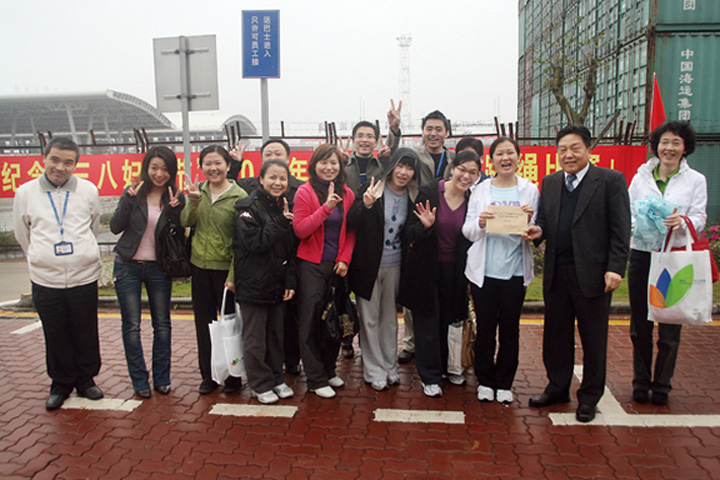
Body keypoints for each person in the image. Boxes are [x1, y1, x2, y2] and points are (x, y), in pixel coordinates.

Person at [523, 125, 630, 423]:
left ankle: (589, 398)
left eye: (575, 148)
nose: (568, 155)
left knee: (593, 339)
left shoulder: (610, 180)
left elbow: (621, 229)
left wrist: (615, 268)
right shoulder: (551, 182)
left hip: (594, 274)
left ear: (588, 150)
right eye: (563, 150)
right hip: (558, 273)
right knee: (555, 336)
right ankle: (557, 387)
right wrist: (537, 230)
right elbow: (544, 220)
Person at [13, 137, 104, 410]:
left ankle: (86, 380)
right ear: (44, 158)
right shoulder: (26, 192)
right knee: (55, 332)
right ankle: (60, 383)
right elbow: (22, 233)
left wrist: (81, 252)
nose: (60, 167)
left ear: (75, 164)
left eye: (68, 162)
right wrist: (41, 256)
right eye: (55, 159)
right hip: (45, 278)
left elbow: (94, 225)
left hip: (83, 275)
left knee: (85, 330)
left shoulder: (88, 190)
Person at [628, 121, 707, 406]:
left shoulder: (695, 180)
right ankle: (640, 381)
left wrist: (682, 222)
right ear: (656, 146)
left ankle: (662, 384)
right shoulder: (640, 178)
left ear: (685, 147)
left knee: (671, 323)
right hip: (643, 255)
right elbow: (630, 214)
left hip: (674, 258)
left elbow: (699, 217)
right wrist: (643, 226)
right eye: (664, 142)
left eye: (676, 143)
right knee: (640, 325)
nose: (669, 148)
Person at [398, 150, 481, 397]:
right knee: (427, 323)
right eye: (462, 169)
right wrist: (425, 227)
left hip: (456, 270)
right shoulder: (431, 193)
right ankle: (430, 375)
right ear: (452, 168)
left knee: (451, 319)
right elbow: (409, 231)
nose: (466, 176)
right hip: (427, 268)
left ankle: (448, 368)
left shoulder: (474, 199)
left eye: (472, 172)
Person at [462, 138, 538, 404]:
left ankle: (505, 382)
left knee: (510, 329)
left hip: (515, 272)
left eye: (510, 153)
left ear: (519, 157)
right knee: (485, 329)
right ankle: (485, 380)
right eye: (499, 154)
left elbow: (536, 231)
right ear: (491, 160)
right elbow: (468, 231)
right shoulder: (480, 190)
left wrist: (530, 225)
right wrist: (481, 222)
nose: (505, 158)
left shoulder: (530, 190)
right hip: (484, 273)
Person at [110, 146, 185, 399]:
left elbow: (176, 235)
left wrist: (174, 211)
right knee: (131, 326)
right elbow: (115, 227)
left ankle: (162, 379)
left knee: (162, 325)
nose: (159, 173)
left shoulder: (176, 196)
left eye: (165, 169)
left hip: (159, 267)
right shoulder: (133, 192)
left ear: (172, 171)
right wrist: (129, 201)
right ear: (146, 168)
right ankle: (139, 381)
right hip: (128, 265)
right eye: (154, 167)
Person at [347, 148, 420, 390]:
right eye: (400, 165)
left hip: (395, 265)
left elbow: (411, 231)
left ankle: (390, 366)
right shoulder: (374, 189)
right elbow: (351, 221)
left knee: (389, 319)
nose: (404, 172)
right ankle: (374, 369)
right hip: (368, 265)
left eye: (409, 168)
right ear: (392, 167)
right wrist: (366, 205)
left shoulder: (412, 196)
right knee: (369, 318)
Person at [231, 138, 304, 375]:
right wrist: (282, 221)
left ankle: (277, 378)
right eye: (272, 177)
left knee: (276, 335)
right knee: (255, 337)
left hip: (277, 282)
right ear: (260, 179)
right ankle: (260, 383)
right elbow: (255, 242)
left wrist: (290, 280)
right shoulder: (247, 205)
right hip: (254, 284)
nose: (277, 182)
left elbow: (290, 248)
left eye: (282, 178)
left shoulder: (285, 203)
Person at [182, 145, 248, 395]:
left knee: (230, 325)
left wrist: (233, 276)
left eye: (218, 162)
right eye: (208, 163)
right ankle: (208, 375)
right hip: (200, 267)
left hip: (226, 271)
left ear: (228, 166)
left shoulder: (239, 196)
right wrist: (193, 200)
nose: (213, 168)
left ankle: (233, 375)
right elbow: (186, 222)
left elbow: (241, 242)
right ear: (202, 167)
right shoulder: (197, 191)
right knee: (204, 324)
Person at [292, 144, 356, 399]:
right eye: (323, 162)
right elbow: (301, 230)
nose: (329, 167)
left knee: (333, 319)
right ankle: (315, 378)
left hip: (336, 267)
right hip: (310, 266)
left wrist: (345, 259)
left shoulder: (347, 193)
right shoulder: (305, 192)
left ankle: (329, 370)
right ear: (314, 165)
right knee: (310, 322)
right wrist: (326, 208)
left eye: (334, 163)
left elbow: (350, 232)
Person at [341, 100, 402, 359]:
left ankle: (376, 352)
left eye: (370, 136)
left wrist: (394, 129)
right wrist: (337, 160)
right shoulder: (343, 165)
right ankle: (345, 338)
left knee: (372, 301)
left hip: (371, 242)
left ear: (377, 141)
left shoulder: (383, 164)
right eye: (360, 136)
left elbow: (396, 154)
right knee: (343, 296)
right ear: (353, 140)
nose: (365, 140)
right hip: (346, 237)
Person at [398, 109, 458, 366]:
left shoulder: (455, 159)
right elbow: (392, 162)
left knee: (445, 291)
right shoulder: (413, 157)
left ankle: (442, 344)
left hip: (447, 231)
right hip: (418, 227)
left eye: (438, 129)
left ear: (447, 132)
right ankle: (411, 343)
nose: (433, 134)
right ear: (422, 132)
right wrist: (393, 132)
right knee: (415, 287)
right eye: (429, 129)